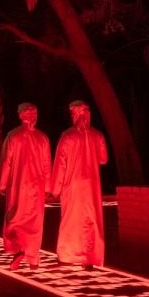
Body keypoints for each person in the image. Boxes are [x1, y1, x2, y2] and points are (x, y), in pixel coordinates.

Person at [50, 99, 108, 268]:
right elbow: (103, 159)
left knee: (71, 220)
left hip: (72, 185)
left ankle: (68, 255)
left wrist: (55, 189)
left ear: (75, 114)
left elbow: (60, 164)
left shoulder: (67, 136)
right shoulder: (98, 135)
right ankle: (90, 257)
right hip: (91, 187)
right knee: (91, 220)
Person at [0, 102, 52, 270]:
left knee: (15, 218)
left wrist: (2, 183)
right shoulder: (42, 138)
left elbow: (6, 162)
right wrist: (48, 187)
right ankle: (33, 259)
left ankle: (18, 249)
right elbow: (46, 165)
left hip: (18, 185)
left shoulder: (13, 136)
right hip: (36, 187)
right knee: (34, 222)